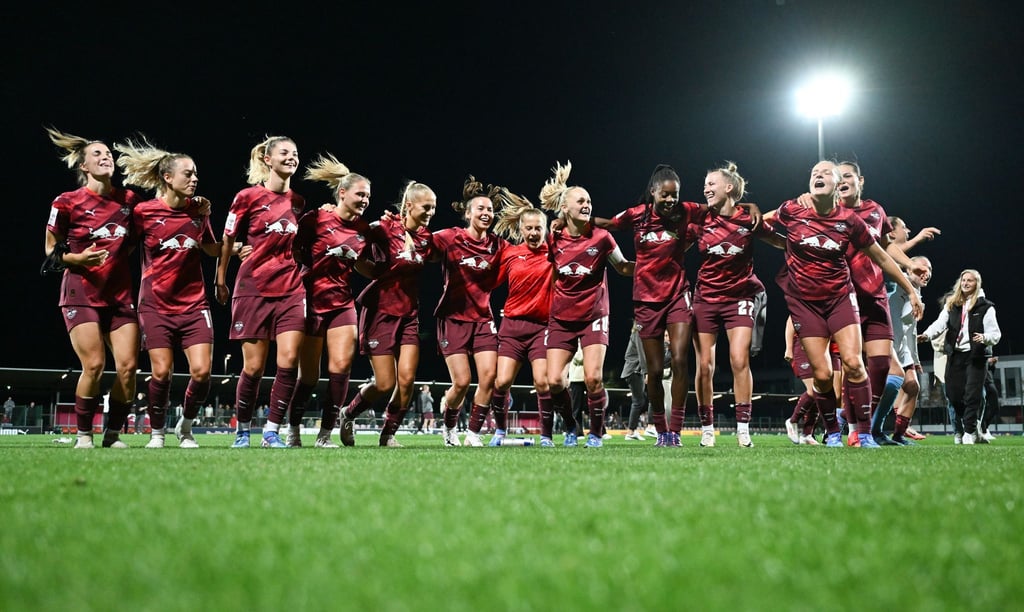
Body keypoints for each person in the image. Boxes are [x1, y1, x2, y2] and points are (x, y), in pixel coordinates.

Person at [595, 164, 759, 446]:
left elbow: (723, 207)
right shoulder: (637, 215)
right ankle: (661, 429)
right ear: (653, 192)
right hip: (645, 301)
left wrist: (750, 204)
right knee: (655, 372)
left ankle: (676, 431)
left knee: (682, 361)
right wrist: (571, 220)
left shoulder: (688, 210)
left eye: (675, 195)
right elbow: (608, 224)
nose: (671, 200)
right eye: (665, 195)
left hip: (678, 296)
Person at [767, 161, 922, 448]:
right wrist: (774, 238)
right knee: (824, 375)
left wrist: (909, 286)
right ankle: (833, 431)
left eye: (826, 173)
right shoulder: (793, 209)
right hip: (807, 302)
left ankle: (863, 432)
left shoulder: (855, 219)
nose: (818, 175)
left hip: (847, 297)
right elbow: (762, 225)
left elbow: (883, 254)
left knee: (858, 364)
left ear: (841, 184)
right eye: (814, 172)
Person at [115, 138, 221, 449]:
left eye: (196, 174)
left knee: (201, 373)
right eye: (188, 174)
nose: (194, 179)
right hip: (155, 306)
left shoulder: (199, 211)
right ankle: (157, 433)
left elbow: (211, 248)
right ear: (167, 177)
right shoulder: (144, 212)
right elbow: (125, 250)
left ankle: (185, 427)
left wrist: (235, 248)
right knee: (161, 372)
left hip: (194, 305)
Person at [44, 127, 140, 449]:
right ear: (84, 166)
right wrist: (80, 259)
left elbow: (132, 244)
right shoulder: (66, 201)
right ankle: (83, 435)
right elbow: (50, 250)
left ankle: (112, 435)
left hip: (119, 295)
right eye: (97, 154)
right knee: (95, 365)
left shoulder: (128, 201)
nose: (105, 157)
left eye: (108, 153)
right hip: (80, 293)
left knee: (128, 368)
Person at [215, 136, 306, 449]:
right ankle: (242, 431)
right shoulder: (247, 196)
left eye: (295, 153)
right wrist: (220, 279)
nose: (291, 157)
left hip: (291, 289)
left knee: (289, 360)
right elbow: (228, 239)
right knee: (253, 367)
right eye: (284, 153)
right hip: (252, 288)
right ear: (268, 159)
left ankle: (271, 431)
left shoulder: (298, 202)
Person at [537, 161, 634, 448]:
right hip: (561, 317)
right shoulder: (552, 238)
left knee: (593, 378)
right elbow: (546, 271)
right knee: (554, 381)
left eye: (589, 201)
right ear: (565, 208)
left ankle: (595, 433)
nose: (587, 204)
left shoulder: (603, 238)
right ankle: (570, 426)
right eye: (580, 200)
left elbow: (624, 268)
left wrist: (653, 266)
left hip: (594, 314)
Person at [834, 162, 930, 446]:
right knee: (847, 369)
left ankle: (858, 425)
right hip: (842, 298)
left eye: (847, 175)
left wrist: (909, 269)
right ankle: (854, 427)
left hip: (874, 295)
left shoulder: (876, 211)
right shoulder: (827, 211)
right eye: (838, 177)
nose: (842, 181)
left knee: (883, 370)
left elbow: (886, 248)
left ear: (860, 180)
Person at [337, 181, 436, 447]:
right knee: (384, 383)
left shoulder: (426, 238)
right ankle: (348, 413)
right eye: (426, 207)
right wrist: (372, 273)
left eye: (433, 208)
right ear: (409, 206)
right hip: (379, 311)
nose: (430, 212)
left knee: (407, 381)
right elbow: (353, 243)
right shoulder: (383, 229)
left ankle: (388, 435)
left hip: (409, 315)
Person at [689, 162, 778, 448]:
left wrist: (808, 250)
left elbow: (780, 241)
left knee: (739, 360)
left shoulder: (748, 220)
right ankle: (706, 428)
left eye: (711, 183)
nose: (706, 188)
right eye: (705, 184)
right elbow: (671, 247)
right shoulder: (699, 220)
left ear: (728, 187)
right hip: (705, 299)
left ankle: (743, 428)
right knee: (704, 366)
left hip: (740, 298)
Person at [292, 154, 374, 448]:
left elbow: (367, 266)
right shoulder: (315, 218)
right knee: (309, 376)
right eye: (360, 194)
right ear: (342, 193)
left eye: (368, 196)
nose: (365, 200)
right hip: (311, 302)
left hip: (342, 304)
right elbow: (295, 253)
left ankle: (325, 435)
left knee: (341, 368)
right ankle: (293, 430)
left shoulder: (364, 231)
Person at [431, 177, 506, 447]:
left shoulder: (498, 245)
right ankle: (449, 426)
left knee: (489, 377)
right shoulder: (450, 237)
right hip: (452, 318)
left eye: (489, 210)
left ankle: (473, 433)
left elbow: (525, 255)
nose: (486, 213)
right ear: (468, 213)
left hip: (483, 318)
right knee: (461, 382)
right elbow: (422, 243)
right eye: (480, 209)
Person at [491, 190, 562, 446]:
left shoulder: (554, 251)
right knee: (501, 381)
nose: (533, 233)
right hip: (511, 326)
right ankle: (500, 431)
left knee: (543, 382)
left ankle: (546, 436)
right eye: (529, 228)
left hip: (542, 328)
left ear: (545, 229)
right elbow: (489, 284)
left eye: (538, 228)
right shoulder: (510, 254)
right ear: (521, 229)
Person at [918, 269, 1001, 444]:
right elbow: (940, 323)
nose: (965, 283)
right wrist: (926, 335)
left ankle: (969, 431)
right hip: (955, 355)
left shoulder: (986, 307)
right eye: (963, 280)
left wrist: (985, 338)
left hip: (976, 355)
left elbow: (995, 333)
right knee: (953, 395)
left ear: (976, 284)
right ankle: (973, 427)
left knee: (973, 394)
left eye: (970, 280)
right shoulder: (952, 304)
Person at [884, 256, 932, 445]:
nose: (927, 273)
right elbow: (886, 258)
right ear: (909, 270)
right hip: (884, 344)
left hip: (902, 349)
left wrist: (916, 359)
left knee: (912, 386)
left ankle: (899, 434)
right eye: (922, 269)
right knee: (878, 391)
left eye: (930, 270)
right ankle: (843, 424)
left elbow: (911, 331)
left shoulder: (917, 294)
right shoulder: (895, 283)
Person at [621, 321, 649, 441]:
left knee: (640, 400)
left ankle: (632, 430)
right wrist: (646, 371)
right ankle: (631, 431)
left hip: (634, 370)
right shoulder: (638, 333)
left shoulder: (636, 333)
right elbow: (642, 353)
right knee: (638, 401)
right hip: (634, 371)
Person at [978, 356, 1001, 441]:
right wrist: (987, 361)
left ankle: (985, 428)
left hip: (989, 381)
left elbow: (990, 371)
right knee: (983, 407)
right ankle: (984, 430)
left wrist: (992, 364)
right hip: (982, 382)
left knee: (995, 407)